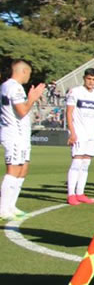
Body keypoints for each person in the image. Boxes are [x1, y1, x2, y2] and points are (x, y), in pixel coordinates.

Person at [0, 59, 46, 220]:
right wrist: (32, 98)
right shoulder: (15, 87)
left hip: (21, 135)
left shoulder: (7, 86)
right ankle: (3, 208)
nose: (29, 77)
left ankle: (11, 206)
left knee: (22, 169)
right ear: (24, 71)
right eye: (29, 73)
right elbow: (22, 111)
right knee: (13, 171)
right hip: (14, 134)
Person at [65, 68, 94, 205]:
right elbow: (69, 113)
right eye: (89, 79)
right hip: (79, 132)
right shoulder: (75, 92)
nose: (91, 82)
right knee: (77, 162)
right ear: (84, 78)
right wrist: (72, 132)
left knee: (86, 164)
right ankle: (71, 194)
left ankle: (80, 193)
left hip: (92, 134)